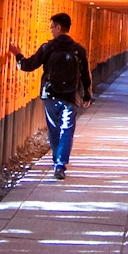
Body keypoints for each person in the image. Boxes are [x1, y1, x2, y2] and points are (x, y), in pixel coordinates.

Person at [8, 13, 92, 180]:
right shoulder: (78, 49)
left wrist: (17, 55)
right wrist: (86, 95)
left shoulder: (48, 48)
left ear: (59, 28)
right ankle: (60, 164)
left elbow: (29, 65)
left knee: (54, 129)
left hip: (50, 95)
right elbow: (84, 74)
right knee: (67, 130)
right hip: (70, 95)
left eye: (52, 27)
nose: (51, 30)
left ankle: (57, 161)